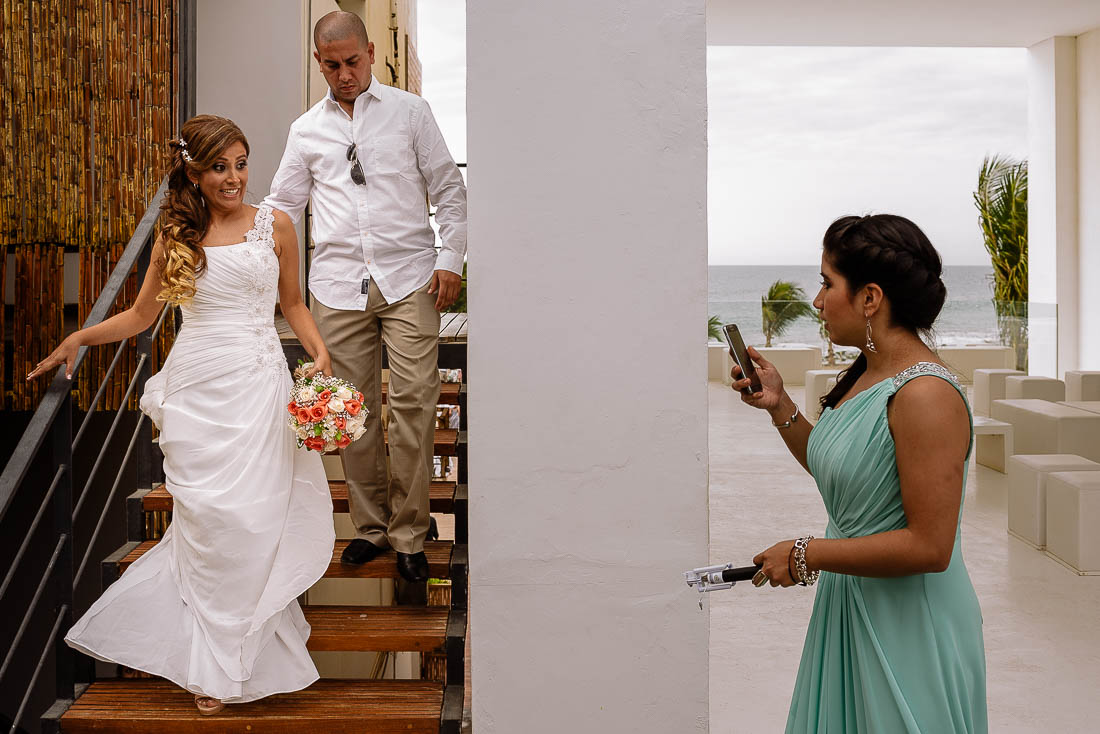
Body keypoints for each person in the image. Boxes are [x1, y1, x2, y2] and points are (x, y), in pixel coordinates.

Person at [27, 115, 336, 714]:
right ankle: (210, 662)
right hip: (198, 388)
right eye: (220, 167)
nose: (234, 177)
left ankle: (243, 647)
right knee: (210, 525)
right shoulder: (175, 235)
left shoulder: (276, 225)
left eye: (242, 163)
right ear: (193, 172)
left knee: (256, 521)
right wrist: (81, 339)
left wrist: (318, 350)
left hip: (259, 383)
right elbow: (143, 317)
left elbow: (292, 302)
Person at [733, 214, 987, 733]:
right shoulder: (867, 374)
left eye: (828, 283)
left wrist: (807, 553)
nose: (817, 300)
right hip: (851, 601)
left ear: (870, 298)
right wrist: (779, 405)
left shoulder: (926, 396)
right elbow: (848, 474)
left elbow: (930, 547)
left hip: (911, 625)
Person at [265, 11, 467, 583]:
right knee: (352, 415)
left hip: (409, 281)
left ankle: (409, 532)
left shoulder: (411, 113)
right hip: (335, 287)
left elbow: (450, 188)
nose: (345, 74)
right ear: (318, 62)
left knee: (414, 408)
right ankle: (372, 529)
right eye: (332, 65)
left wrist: (450, 259)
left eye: (353, 61)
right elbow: (282, 210)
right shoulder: (305, 131)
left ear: (372, 53)